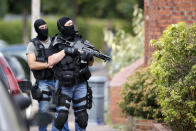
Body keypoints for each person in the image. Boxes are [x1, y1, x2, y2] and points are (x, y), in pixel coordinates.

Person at [48, 16, 94, 131]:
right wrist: (65, 50)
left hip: (80, 83)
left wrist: (89, 57)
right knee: (61, 117)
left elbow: (91, 64)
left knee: (82, 117)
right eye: (68, 25)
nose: (71, 27)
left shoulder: (80, 41)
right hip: (64, 84)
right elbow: (50, 61)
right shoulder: (56, 41)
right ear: (62, 28)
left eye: (72, 24)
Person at [26, 18, 55, 131]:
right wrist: (47, 65)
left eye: (45, 27)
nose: (44, 29)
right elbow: (32, 64)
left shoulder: (55, 41)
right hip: (43, 82)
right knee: (43, 112)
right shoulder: (32, 45)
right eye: (41, 28)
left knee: (61, 110)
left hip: (58, 79)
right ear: (37, 30)